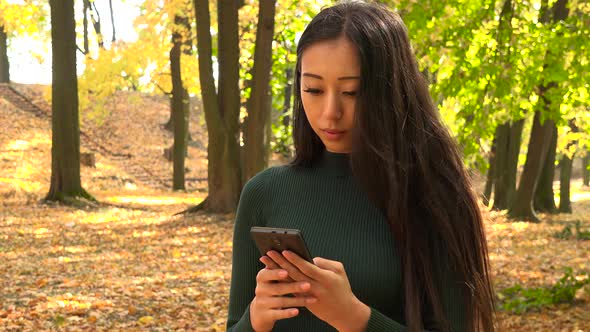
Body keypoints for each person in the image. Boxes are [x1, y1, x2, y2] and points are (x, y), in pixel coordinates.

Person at [226, 1, 495, 331]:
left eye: (351, 92)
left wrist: (353, 317)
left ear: (391, 91)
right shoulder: (264, 193)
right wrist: (255, 318)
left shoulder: (437, 197)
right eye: (313, 89)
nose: (329, 113)